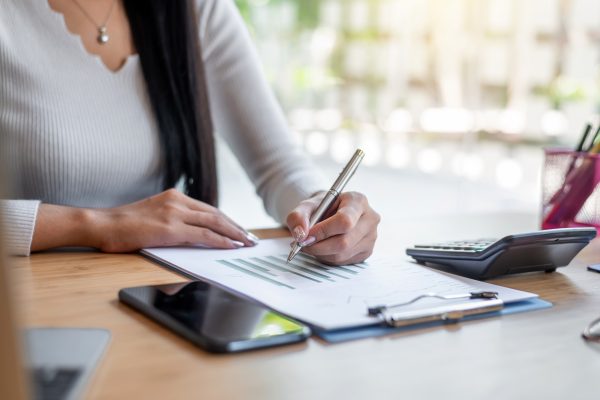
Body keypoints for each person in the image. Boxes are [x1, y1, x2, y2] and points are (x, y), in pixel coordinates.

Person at [0, 0, 379, 265]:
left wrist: (322, 210)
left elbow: (277, 165)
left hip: (146, 296)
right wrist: (101, 225)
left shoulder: (197, 8)